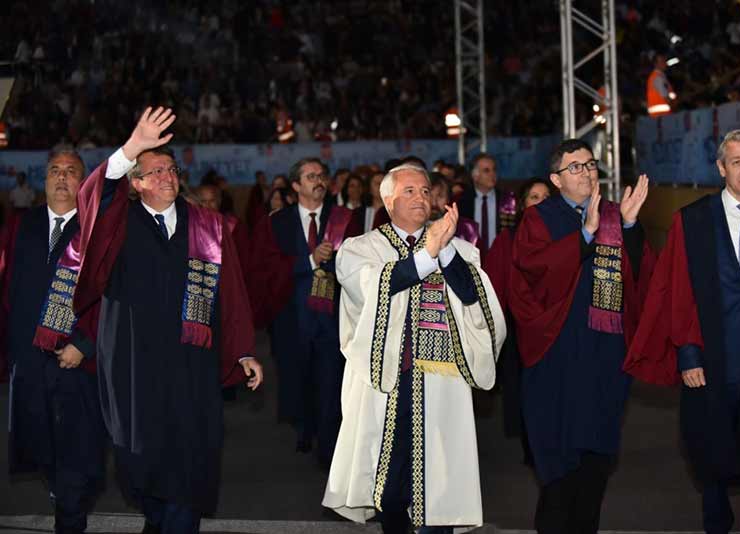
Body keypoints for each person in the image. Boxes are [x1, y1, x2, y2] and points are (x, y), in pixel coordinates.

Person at [72, 107, 263, 534]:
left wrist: (243, 349)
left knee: (190, 460)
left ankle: (176, 519)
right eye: (154, 172)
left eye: (171, 170)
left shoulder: (207, 226)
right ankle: (158, 514)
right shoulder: (116, 222)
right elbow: (93, 195)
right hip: (132, 362)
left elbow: (230, 293)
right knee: (141, 462)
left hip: (192, 363)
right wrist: (131, 148)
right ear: (135, 185)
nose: (166, 177)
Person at [625, 129, 740, 534]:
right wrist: (688, 354)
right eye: (736, 161)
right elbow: (678, 291)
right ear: (721, 168)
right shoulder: (694, 220)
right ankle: (717, 523)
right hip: (714, 356)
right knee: (713, 450)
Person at [323, 163, 506, 533]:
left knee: (439, 482)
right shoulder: (362, 249)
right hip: (388, 381)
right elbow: (376, 285)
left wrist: (444, 252)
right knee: (389, 486)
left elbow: (475, 299)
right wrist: (427, 255)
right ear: (388, 201)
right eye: (409, 191)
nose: (420, 197)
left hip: (441, 383)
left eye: (425, 191)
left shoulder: (459, 250)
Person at [510, 139, 654, 534]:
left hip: (604, 353)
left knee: (595, 460)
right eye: (576, 167)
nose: (588, 173)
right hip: (558, 353)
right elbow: (531, 271)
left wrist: (628, 226)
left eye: (591, 165)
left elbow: (641, 277)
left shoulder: (613, 214)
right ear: (556, 179)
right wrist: (584, 237)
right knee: (559, 460)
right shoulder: (539, 218)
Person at [5, 149, 109, 534]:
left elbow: (112, 295)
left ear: (83, 183)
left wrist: (85, 342)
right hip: (30, 362)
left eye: (71, 171)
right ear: (43, 179)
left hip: (76, 363)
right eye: (54, 171)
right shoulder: (22, 225)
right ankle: (64, 494)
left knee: (76, 455)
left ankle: (71, 513)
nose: (61, 177)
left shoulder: (95, 230)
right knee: (42, 449)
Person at [249, 157, 358, 466]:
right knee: (298, 380)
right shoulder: (276, 222)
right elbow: (265, 269)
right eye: (311, 176)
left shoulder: (344, 219)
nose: (318, 180)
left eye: (321, 174)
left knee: (330, 383)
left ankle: (328, 450)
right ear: (295, 185)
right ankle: (304, 427)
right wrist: (308, 261)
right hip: (291, 317)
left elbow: (358, 265)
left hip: (332, 319)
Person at [483, 177, 551, 464]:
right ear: (523, 206)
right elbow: (493, 290)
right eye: (534, 197)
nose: (541, 202)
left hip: (554, 327)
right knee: (526, 391)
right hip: (517, 330)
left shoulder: (568, 237)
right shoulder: (507, 240)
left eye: (547, 196)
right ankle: (533, 444)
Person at [456, 153, 515, 253]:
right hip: (471, 257)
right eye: (486, 170)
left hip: (500, 256)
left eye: (494, 170)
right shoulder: (462, 201)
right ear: (475, 176)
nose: (493, 174)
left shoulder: (508, 200)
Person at [647, 53, 677, 117]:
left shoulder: (661, 76)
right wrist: (676, 104)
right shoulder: (658, 78)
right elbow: (666, 98)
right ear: (655, 64)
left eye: (664, 61)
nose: (664, 63)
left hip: (662, 116)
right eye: (661, 61)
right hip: (661, 116)